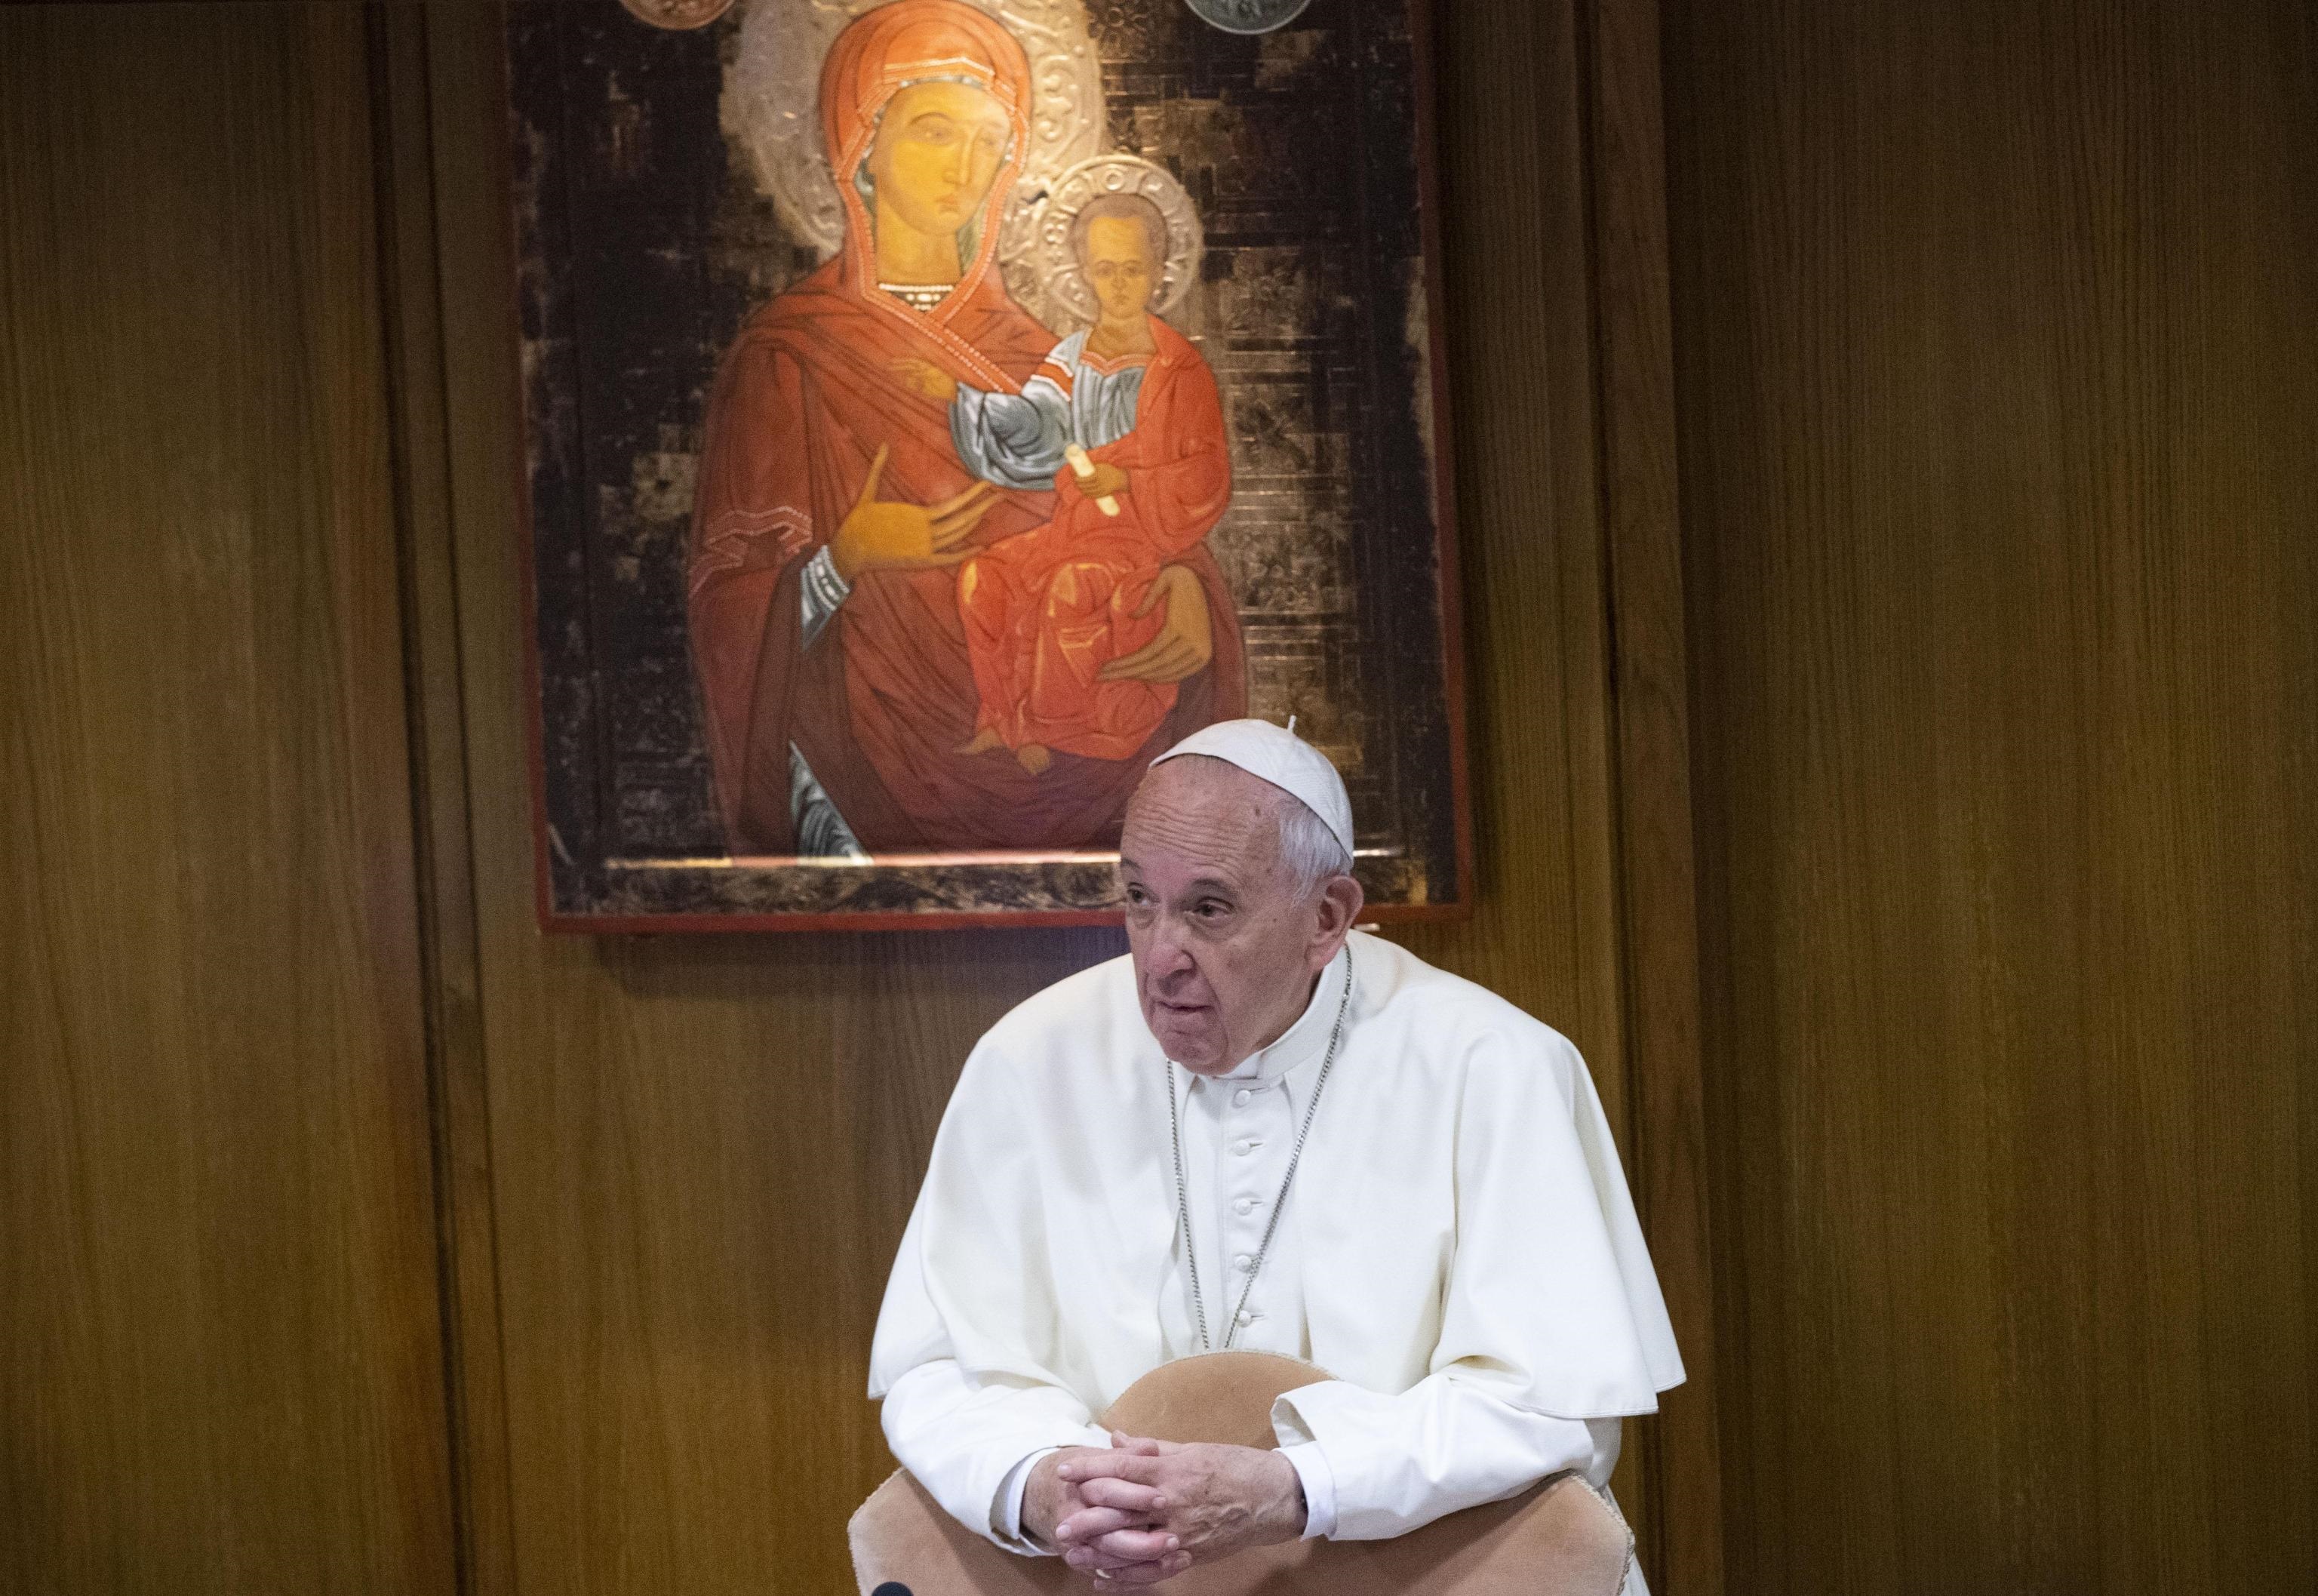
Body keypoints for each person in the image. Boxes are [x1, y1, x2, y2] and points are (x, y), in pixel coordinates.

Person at [870, 719, 1685, 1591]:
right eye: (1140, 900)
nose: (1160, 958)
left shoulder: (1493, 1065)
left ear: (1327, 917)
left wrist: (1301, 1485)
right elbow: (941, 1366)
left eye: (1208, 909)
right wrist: (1041, 1482)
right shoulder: (1030, 1059)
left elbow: (1556, 1407)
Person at [686, 0, 1244, 856]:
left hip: (1084, 767)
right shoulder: (787, 360)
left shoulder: (1050, 354)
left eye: (992, 141)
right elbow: (728, 619)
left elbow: (1140, 504)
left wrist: (1183, 591)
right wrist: (844, 558)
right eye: (935, 132)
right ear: (859, 144)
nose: (967, 168)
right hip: (860, 778)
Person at [892, 192, 1231, 777]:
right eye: (1105, 270)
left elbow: (1206, 473)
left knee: (1070, 591)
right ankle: (1008, 720)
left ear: (1157, 270)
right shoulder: (1072, 355)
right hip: (1073, 527)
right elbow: (1038, 424)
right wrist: (960, 395)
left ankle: (1064, 736)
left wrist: (1127, 476)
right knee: (983, 578)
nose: (1119, 284)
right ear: (1085, 273)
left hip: (1139, 537)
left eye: (1132, 269)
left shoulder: (1179, 369)